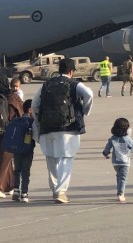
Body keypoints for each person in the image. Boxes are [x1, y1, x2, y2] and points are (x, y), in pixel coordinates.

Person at [31, 58, 94, 204]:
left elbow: (35, 105)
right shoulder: (74, 84)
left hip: (47, 128)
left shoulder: (45, 85)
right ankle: (61, 191)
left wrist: (40, 121)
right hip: (68, 128)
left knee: (51, 160)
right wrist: (84, 110)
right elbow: (89, 94)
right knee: (66, 159)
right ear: (71, 71)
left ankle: (55, 190)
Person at [102, 117, 133, 203]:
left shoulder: (113, 138)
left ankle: (119, 190)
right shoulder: (127, 139)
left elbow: (107, 148)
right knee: (123, 178)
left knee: (119, 176)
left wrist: (105, 153)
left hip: (115, 162)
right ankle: (120, 194)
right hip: (125, 162)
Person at [9, 99, 35, 202]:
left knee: (17, 170)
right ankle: (24, 193)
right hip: (28, 151)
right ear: (29, 110)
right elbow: (36, 136)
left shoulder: (16, 120)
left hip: (16, 150)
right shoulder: (32, 122)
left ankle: (15, 191)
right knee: (26, 171)